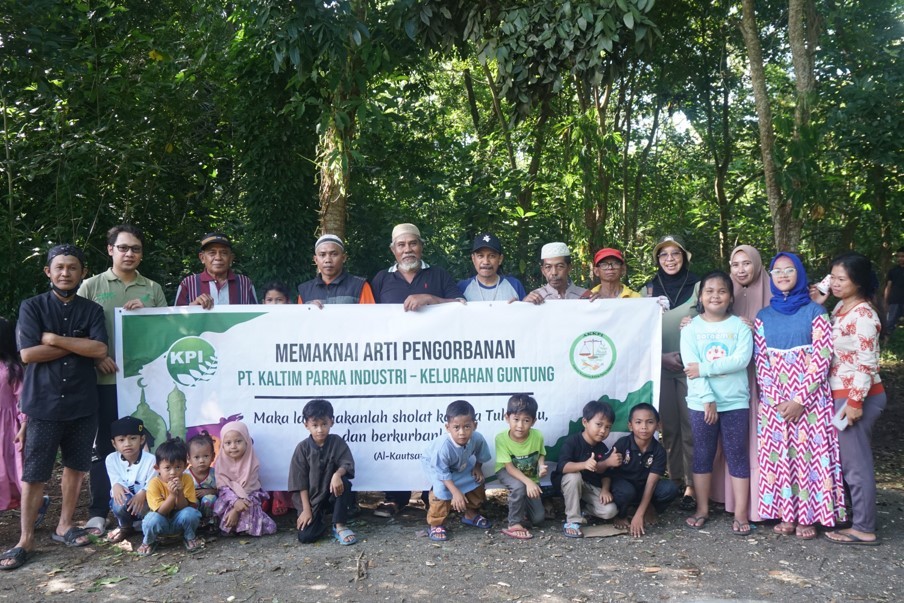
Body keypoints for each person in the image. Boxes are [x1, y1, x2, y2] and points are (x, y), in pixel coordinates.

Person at [1, 245, 107, 571]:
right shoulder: (31, 307)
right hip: (42, 404)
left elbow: (100, 348)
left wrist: (55, 340)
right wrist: (78, 346)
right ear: (48, 271)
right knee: (34, 474)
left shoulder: (91, 310)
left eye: (72, 267)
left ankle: (64, 526)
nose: (65, 273)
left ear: (83, 272)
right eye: (59, 267)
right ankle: (26, 539)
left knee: (76, 467)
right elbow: (28, 355)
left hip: (82, 403)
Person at [78, 224, 167, 537]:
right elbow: (75, 331)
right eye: (124, 247)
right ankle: (98, 510)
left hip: (142, 385)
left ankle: (150, 504)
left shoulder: (152, 289)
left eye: (136, 249)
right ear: (110, 250)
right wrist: (95, 356)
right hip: (103, 383)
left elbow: (164, 335)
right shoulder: (90, 286)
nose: (130, 253)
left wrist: (148, 314)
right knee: (104, 445)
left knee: (147, 442)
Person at [371, 223, 462, 515]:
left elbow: (461, 306)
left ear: (421, 246)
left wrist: (430, 300)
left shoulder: (438, 275)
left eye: (413, 244)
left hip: (434, 366)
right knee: (394, 422)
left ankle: (429, 492)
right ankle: (394, 496)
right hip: (393, 366)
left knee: (430, 423)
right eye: (401, 245)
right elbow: (363, 318)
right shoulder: (381, 280)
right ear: (393, 250)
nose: (407, 249)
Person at [754, 252, 845, 540]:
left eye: (789, 270)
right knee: (781, 457)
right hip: (774, 403)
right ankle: (786, 514)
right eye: (777, 271)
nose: (782, 275)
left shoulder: (815, 313)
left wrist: (799, 400)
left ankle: (809, 516)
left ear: (800, 275)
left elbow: (822, 358)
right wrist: (776, 400)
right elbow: (761, 361)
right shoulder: (763, 316)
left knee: (808, 458)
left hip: (811, 402)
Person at [817, 253, 886, 546]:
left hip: (857, 396)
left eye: (841, 279)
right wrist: (822, 293)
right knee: (847, 461)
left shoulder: (864, 315)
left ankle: (864, 527)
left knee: (857, 463)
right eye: (832, 277)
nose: (833, 283)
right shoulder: (841, 307)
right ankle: (854, 517)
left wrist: (855, 402)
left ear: (858, 282)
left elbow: (866, 362)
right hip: (841, 393)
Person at [680, 271, 754, 534]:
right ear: (700, 296)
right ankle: (702, 509)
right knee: (703, 454)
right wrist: (708, 397)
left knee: (737, 455)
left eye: (721, 291)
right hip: (701, 403)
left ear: (730, 297)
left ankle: (742, 514)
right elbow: (691, 368)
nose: (715, 296)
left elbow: (740, 361)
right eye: (709, 291)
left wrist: (704, 368)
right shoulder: (690, 328)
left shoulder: (740, 327)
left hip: (735, 402)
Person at [707, 245, 771, 522]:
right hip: (728, 382)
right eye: (735, 264)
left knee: (757, 438)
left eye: (747, 263)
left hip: (763, 380)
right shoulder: (724, 294)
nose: (741, 269)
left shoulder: (773, 294)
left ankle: (760, 504)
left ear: (757, 265)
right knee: (730, 441)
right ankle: (727, 497)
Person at [644, 234, 700, 510]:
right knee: (669, 427)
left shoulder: (700, 286)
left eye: (675, 254)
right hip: (660, 367)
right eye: (663, 255)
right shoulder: (649, 289)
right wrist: (660, 357)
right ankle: (675, 479)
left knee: (691, 425)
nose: (669, 259)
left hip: (692, 368)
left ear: (685, 256)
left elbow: (715, 316)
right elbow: (640, 330)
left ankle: (693, 484)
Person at [421, 400, 492, 542]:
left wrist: (477, 467)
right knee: (440, 490)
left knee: (476, 480)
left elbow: (481, 454)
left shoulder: (477, 438)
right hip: (436, 466)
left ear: (475, 425)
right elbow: (442, 472)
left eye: (467, 427)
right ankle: (436, 524)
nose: (462, 432)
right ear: (447, 427)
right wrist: (456, 492)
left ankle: (471, 514)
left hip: (460, 465)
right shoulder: (443, 447)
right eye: (456, 427)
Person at [289, 399, 357, 545]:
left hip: (332, 495)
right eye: (315, 425)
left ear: (331, 422)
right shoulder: (302, 448)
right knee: (306, 537)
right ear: (306, 425)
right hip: (311, 499)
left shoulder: (336, 442)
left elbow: (346, 463)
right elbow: (300, 483)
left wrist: (337, 474)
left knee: (344, 482)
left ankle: (339, 525)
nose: (320, 430)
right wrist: (306, 510)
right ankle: (319, 519)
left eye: (324, 424)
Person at [552, 401, 621, 538]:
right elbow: (562, 466)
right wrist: (584, 465)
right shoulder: (572, 441)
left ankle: (583, 510)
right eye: (599, 425)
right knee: (574, 476)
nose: (603, 431)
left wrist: (605, 489)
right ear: (585, 422)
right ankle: (572, 521)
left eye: (608, 427)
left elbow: (607, 474)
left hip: (590, 487)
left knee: (610, 511)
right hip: (569, 484)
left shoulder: (602, 448)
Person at [609, 403, 679, 538]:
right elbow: (606, 471)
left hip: (645, 489)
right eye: (638, 422)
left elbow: (651, 484)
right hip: (625, 489)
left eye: (650, 422)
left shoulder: (658, 451)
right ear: (630, 425)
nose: (644, 427)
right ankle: (622, 514)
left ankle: (649, 508)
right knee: (624, 491)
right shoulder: (623, 443)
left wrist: (639, 514)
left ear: (658, 425)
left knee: (670, 488)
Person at [495, 394, 547, 540]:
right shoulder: (501, 438)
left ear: (533, 421)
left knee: (539, 519)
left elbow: (541, 453)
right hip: (506, 470)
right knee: (519, 486)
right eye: (516, 419)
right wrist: (529, 482)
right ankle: (514, 523)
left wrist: (542, 465)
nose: (520, 425)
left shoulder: (537, 436)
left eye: (526, 420)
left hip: (529, 475)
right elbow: (510, 468)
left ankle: (522, 510)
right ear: (507, 418)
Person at [140, 437, 203, 555]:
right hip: (161, 523)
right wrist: (172, 495)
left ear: (185, 466)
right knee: (150, 519)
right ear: (157, 468)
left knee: (191, 513)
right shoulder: (154, 483)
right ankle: (149, 541)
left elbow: (183, 508)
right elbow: (160, 512)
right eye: (167, 468)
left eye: (178, 467)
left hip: (178, 522)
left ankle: (189, 536)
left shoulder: (186, 479)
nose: (173, 472)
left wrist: (179, 493)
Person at [212, 421, 276, 536]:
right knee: (227, 498)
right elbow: (223, 489)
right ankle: (232, 527)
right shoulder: (220, 464)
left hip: (248, 499)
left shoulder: (252, 463)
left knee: (270, 527)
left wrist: (236, 510)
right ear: (222, 445)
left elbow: (251, 489)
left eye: (238, 441)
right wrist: (235, 502)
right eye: (228, 443)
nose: (233, 446)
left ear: (247, 442)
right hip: (229, 500)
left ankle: (243, 528)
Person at [104, 417, 156, 543]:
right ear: (114, 443)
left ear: (142, 439)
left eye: (133, 438)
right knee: (119, 502)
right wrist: (116, 485)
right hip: (126, 500)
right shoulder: (111, 459)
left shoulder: (151, 459)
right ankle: (125, 527)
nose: (127, 444)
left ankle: (146, 526)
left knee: (151, 507)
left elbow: (152, 483)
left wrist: (142, 493)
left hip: (146, 501)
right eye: (121, 440)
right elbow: (117, 485)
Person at [174, 233, 257, 308]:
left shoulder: (245, 283)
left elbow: (256, 317)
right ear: (202, 258)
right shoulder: (188, 283)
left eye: (224, 253)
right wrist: (193, 307)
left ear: (231, 258)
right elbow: (177, 319)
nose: (218, 258)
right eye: (212, 253)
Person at [297, 234, 375, 306]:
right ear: (316, 259)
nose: (328, 260)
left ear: (343, 258)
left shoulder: (359, 286)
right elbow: (301, 320)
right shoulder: (305, 290)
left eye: (334, 254)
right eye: (322, 255)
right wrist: (308, 311)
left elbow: (370, 317)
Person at [457, 232, 526, 302]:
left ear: (500, 259)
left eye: (492, 256)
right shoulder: (462, 287)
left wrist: (520, 305)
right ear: (473, 259)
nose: (486, 262)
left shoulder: (515, 285)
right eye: (480, 256)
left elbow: (526, 311)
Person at [0, 317, 24, 512]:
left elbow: (22, 400)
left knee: (12, 471)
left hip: (8, 429)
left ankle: (35, 503)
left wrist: (24, 426)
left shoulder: (11, 369)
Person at [524, 242, 589, 303]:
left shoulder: (586, 297)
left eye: (559, 266)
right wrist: (524, 305)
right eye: (548, 267)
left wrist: (598, 301)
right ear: (543, 270)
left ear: (569, 268)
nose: (554, 272)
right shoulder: (535, 298)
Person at [186, 431, 218, 530]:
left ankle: (210, 524)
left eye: (206, 456)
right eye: (196, 457)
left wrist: (209, 491)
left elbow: (222, 490)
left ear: (213, 456)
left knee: (209, 499)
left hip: (208, 507)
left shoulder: (215, 474)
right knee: (192, 501)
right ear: (188, 458)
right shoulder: (185, 475)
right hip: (192, 506)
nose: (201, 461)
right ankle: (194, 524)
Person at [884, 246, 904, 334]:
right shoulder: (893, 271)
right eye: (898, 256)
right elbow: (888, 286)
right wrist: (885, 301)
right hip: (895, 300)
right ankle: (886, 343)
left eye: (902, 256)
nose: (900, 258)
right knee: (890, 322)